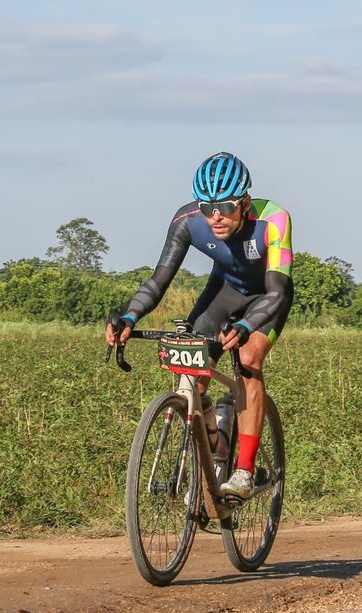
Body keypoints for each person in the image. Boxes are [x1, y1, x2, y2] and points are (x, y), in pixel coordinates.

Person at [105, 152, 293, 499]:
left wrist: (249, 325)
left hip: (266, 297)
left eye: (225, 207)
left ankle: (243, 471)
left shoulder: (274, 220)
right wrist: (130, 316)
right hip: (223, 292)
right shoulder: (186, 220)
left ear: (245, 202)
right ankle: (216, 441)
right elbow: (158, 280)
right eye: (207, 208)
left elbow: (277, 291)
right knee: (192, 368)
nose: (216, 216)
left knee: (248, 364)